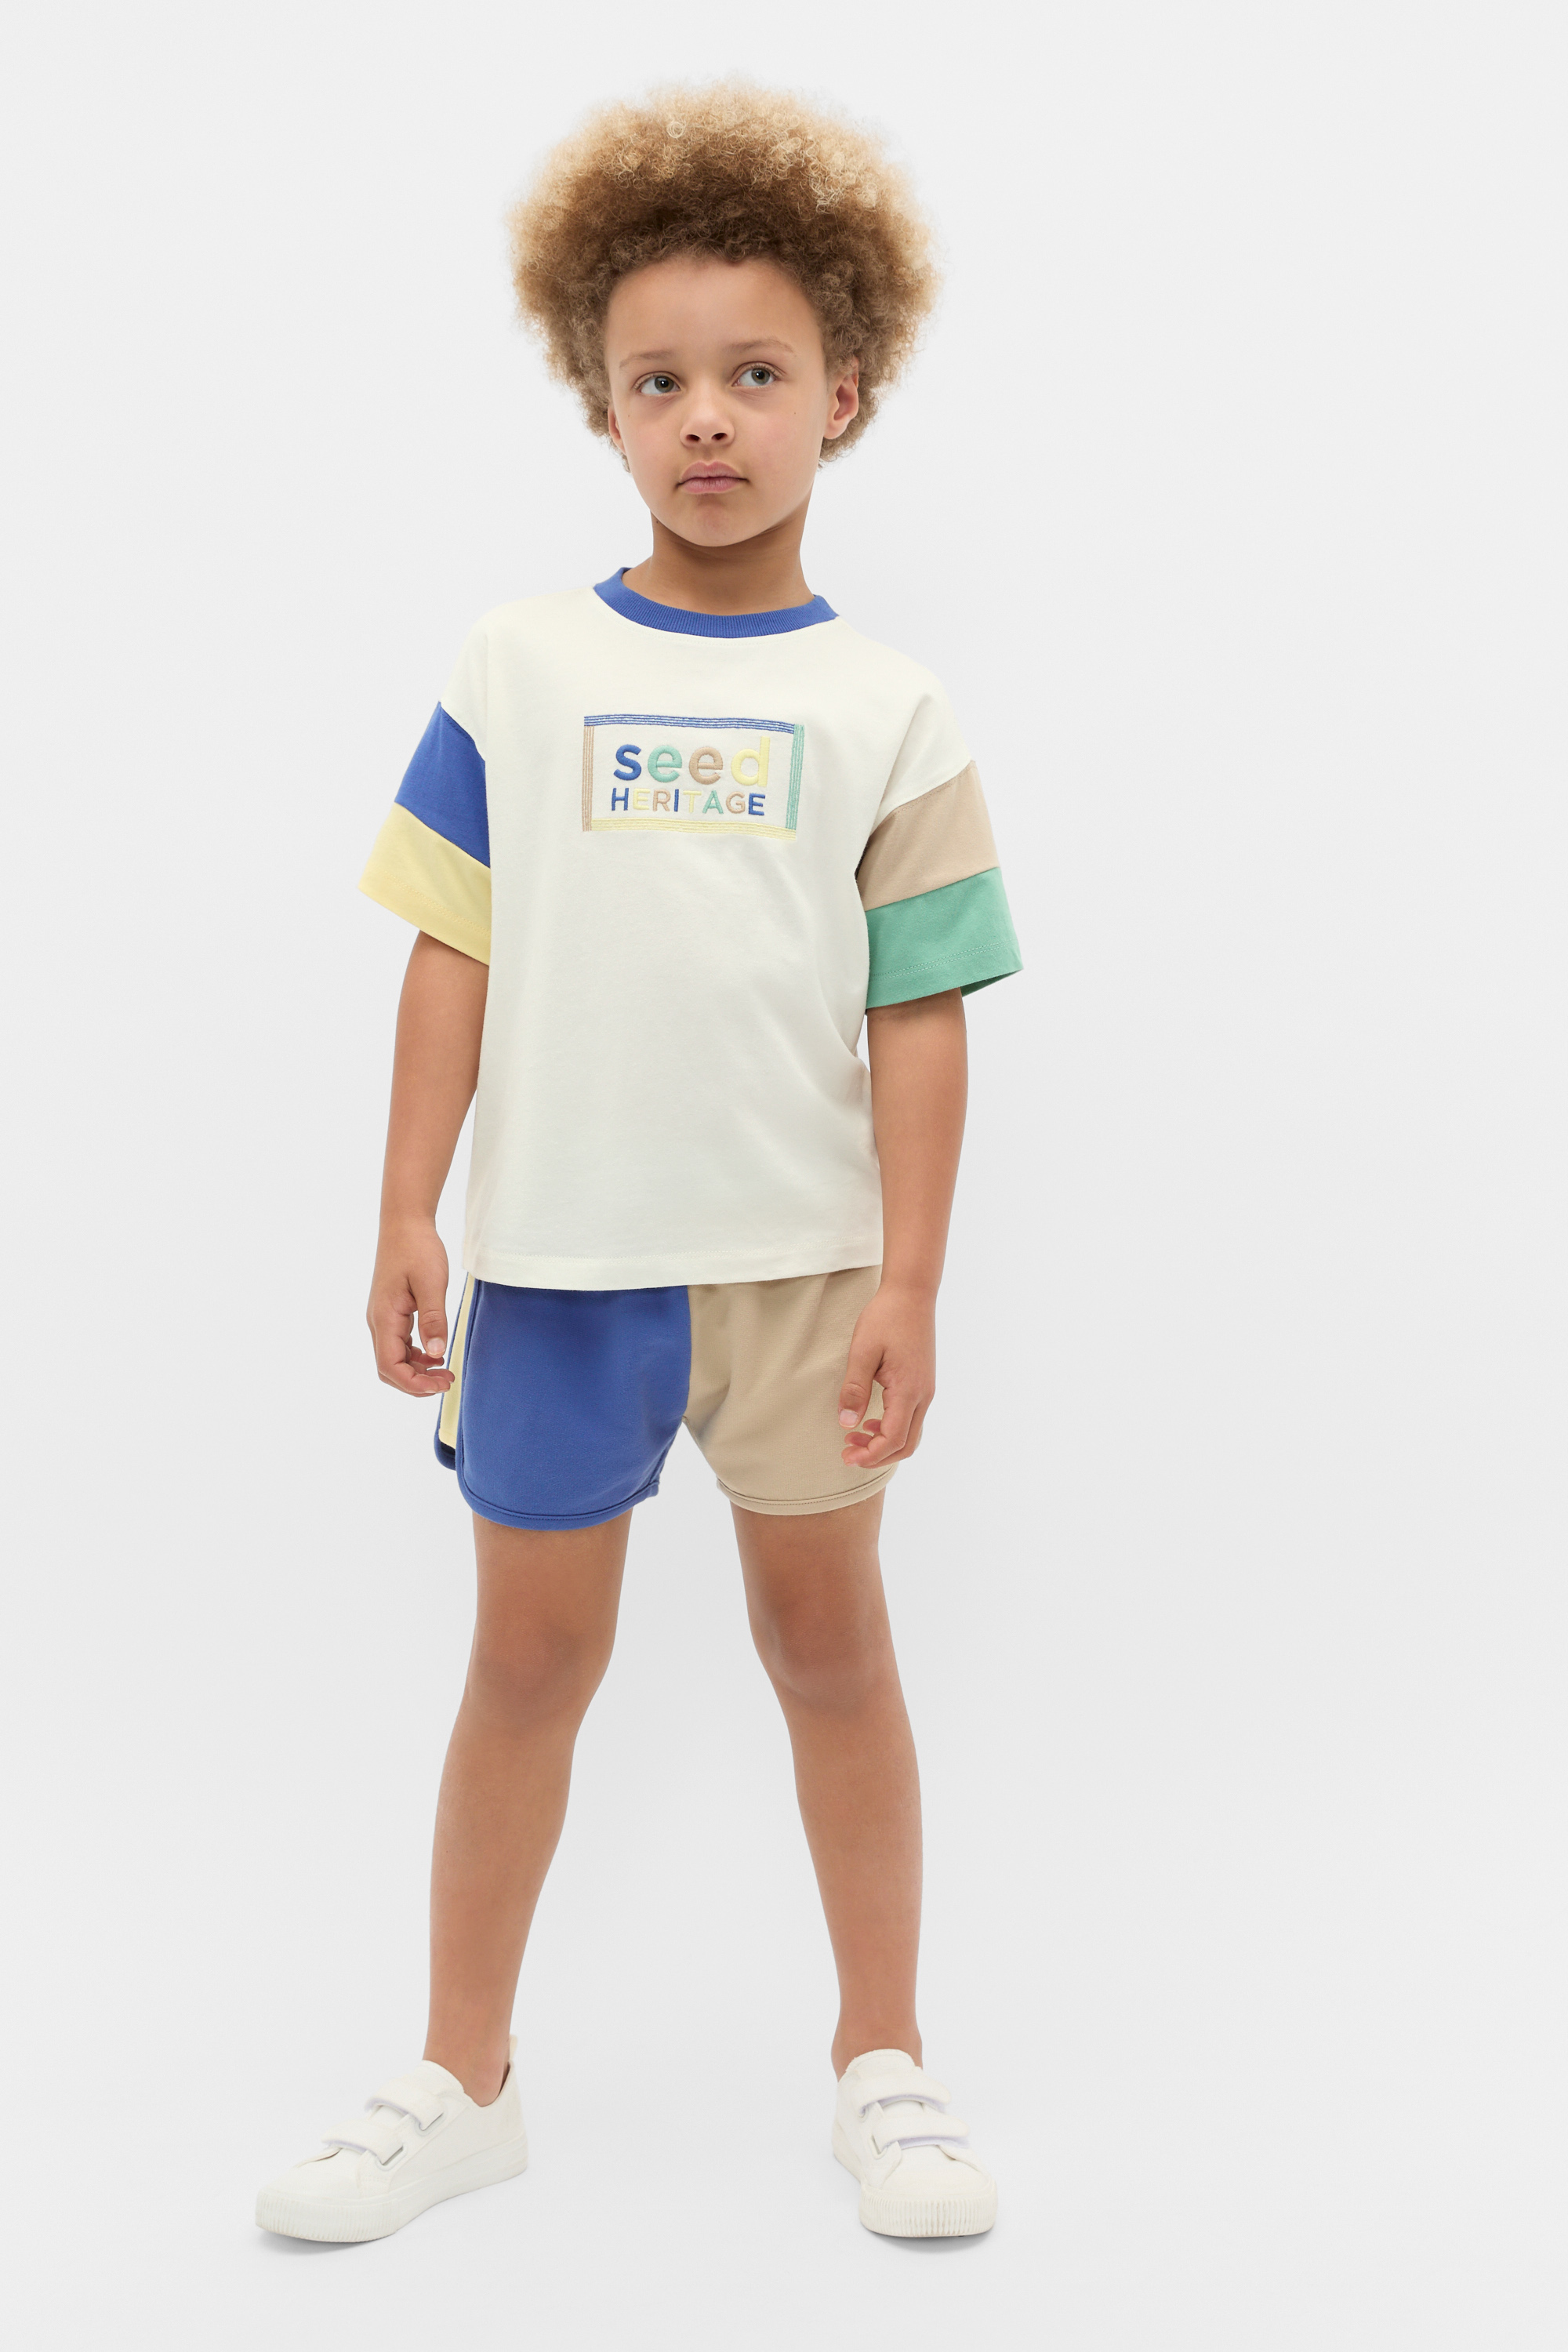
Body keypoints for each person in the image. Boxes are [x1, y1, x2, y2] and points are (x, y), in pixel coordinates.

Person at [256, 82, 1021, 2248]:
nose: (707, 419)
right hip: (564, 1269)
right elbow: (454, 950)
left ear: (841, 395)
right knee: (523, 1669)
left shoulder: (892, 709)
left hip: (802, 1276)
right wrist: (404, 1207)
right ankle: (461, 2076)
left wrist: (910, 1280)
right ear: (601, 409)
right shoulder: (520, 668)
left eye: (755, 375)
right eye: (659, 381)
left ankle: (886, 2063)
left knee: (833, 1655)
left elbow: (922, 1013)